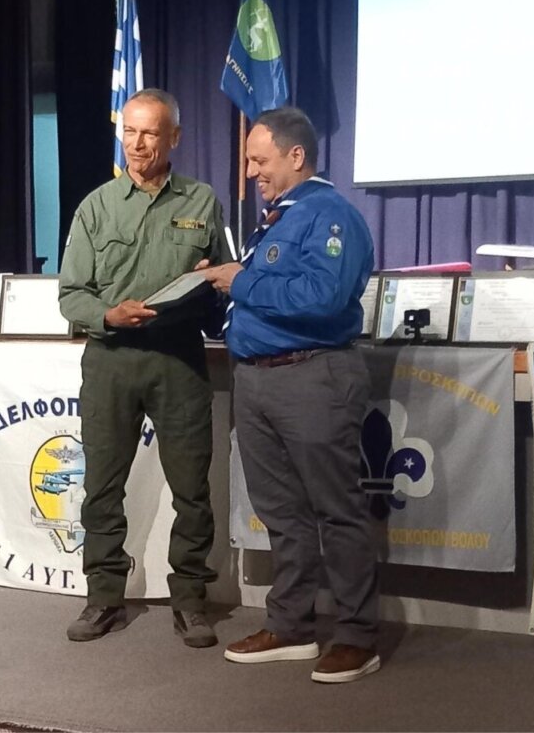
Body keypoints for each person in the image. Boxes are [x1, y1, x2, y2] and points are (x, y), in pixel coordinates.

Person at [198, 107, 380, 683]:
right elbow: (273, 291)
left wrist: (242, 279)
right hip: (257, 379)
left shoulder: (330, 215)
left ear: (296, 156)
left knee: (337, 512)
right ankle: (292, 626)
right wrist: (222, 281)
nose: (251, 171)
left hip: (312, 376)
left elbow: (323, 297)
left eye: (260, 160)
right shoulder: (280, 218)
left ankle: (356, 636)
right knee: (281, 513)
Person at [58, 89, 229, 648]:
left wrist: (211, 284)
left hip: (178, 359)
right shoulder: (97, 206)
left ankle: (191, 601)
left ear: (173, 137)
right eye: (129, 132)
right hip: (111, 359)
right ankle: (104, 596)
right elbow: (71, 294)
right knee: (102, 488)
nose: (137, 144)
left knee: (192, 489)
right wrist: (108, 315)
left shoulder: (202, 201)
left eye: (150, 132)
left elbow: (220, 285)